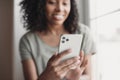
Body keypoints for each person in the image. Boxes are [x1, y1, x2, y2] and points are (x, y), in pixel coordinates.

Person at [19, 0, 96, 80]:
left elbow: (88, 76)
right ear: (40, 5)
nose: (59, 8)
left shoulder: (83, 33)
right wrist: (46, 77)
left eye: (65, 3)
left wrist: (74, 78)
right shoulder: (28, 41)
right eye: (52, 2)